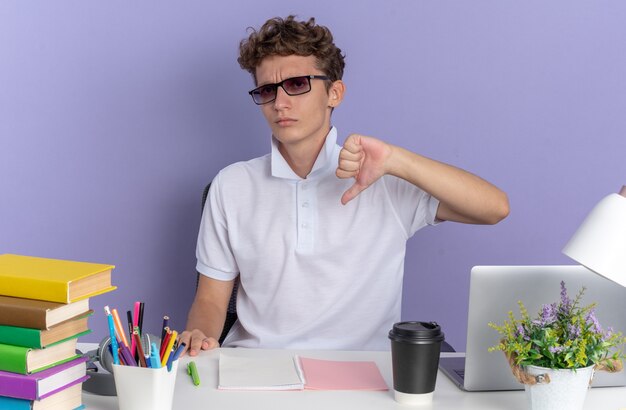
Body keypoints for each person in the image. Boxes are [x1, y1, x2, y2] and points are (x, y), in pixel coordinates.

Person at [179, 16, 509, 355]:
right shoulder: (232, 184)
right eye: (267, 91)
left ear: (334, 93)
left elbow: (494, 208)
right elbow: (210, 299)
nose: (279, 103)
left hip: (363, 372)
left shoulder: (384, 178)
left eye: (296, 84)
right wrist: (199, 335)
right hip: (255, 367)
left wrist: (397, 160)